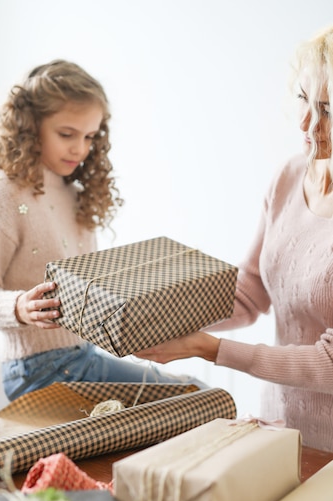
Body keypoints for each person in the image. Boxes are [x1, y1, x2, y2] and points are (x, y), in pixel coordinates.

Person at [136, 24, 333, 452]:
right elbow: (250, 294)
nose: (306, 122)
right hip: (280, 427)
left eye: (328, 109)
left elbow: (329, 363)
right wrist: (155, 316)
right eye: (303, 97)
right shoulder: (289, 177)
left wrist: (210, 350)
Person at [0, 59, 199, 401]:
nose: (80, 149)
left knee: (193, 391)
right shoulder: (3, 195)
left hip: (82, 358)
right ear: (29, 126)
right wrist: (19, 307)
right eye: (67, 134)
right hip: (37, 372)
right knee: (192, 396)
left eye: (89, 137)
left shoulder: (74, 194)